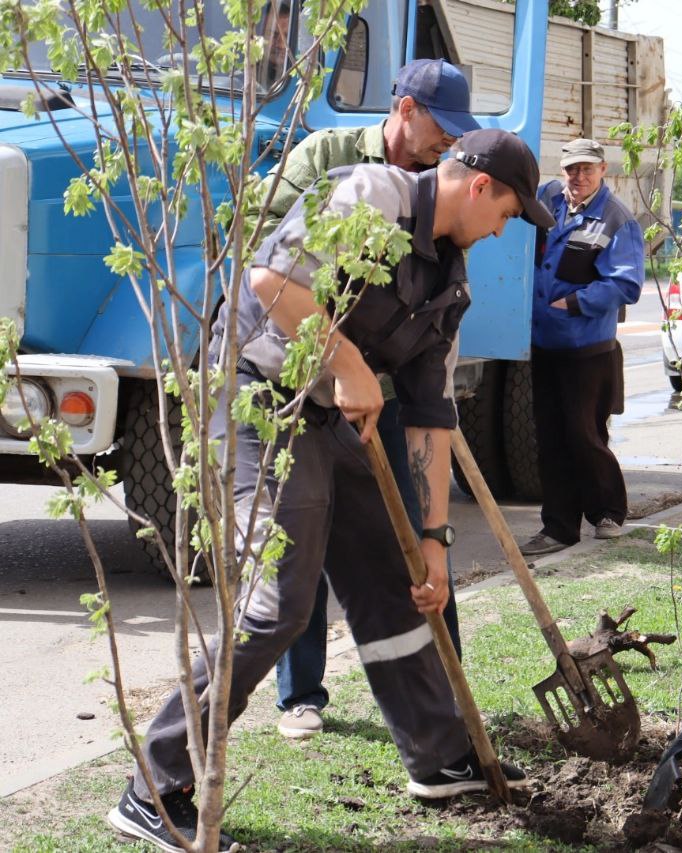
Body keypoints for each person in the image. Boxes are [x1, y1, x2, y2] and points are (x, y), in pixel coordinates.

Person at [107, 129, 556, 853]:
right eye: (507, 212)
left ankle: (438, 753)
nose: (505, 228)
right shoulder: (370, 194)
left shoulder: (450, 281)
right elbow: (271, 281)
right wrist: (346, 359)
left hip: (326, 413)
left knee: (395, 572)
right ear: (478, 187)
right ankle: (154, 786)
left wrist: (435, 539)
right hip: (257, 398)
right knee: (278, 602)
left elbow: (433, 419)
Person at [259, 57, 480, 742]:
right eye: (443, 126)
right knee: (302, 534)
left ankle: (446, 689)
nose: (449, 141)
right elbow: (267, 257)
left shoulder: (436, 187)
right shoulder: (325, 155)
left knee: (416, 529)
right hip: (300, 380)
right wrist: (334, 348)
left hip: (378, 389)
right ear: (406, 109)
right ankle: (301, 695)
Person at [518, 137, 643, 557]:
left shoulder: (616, 219)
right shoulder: (548, 200)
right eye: (572, 169)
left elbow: (626, 284)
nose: (578, 177)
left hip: (586, 350)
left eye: (587, 169)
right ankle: (558, 527)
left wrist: (573, 302)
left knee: (584, 434)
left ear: (603, 171)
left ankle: (609, 511)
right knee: (550, 437)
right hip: (543, 344)